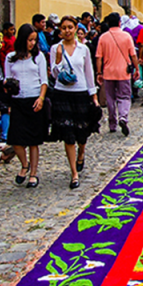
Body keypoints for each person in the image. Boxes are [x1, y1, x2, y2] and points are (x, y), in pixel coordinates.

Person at [50, 15, 99, 189]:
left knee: (82, 132)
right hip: (62, 94)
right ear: (60, 30)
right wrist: (57, 60)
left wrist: (93, 96)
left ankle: (82, 153)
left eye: (70, 27)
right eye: (64, 28)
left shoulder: (83, 49)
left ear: (75, 29)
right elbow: (54, 75)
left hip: (80, 93)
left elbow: (88, 72)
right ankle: (74, 173)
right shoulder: (55, 48)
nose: (67, 31)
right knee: (68, 134)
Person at [4, 23, 48, 188]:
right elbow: (7, 78)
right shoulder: (10, 57)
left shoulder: (39, 57)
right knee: (16, 139)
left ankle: (33, 173)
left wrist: (41, 98)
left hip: (33, 99)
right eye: (30, 40)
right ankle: (24, 164)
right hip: (17, 100)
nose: (32, 43)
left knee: (33, 140)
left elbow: (44, 80)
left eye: (34, 40)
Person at [96, 12, 139, 136]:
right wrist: (136, 68)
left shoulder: (103, 37)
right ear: (120, 22)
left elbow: (98, 57)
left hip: (108, 72)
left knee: (110, 98)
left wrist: (99, 72)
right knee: (124, 96)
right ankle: (123, 117)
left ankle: (112, 122)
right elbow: (133, 55)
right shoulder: (126, 36)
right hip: (123, 72)